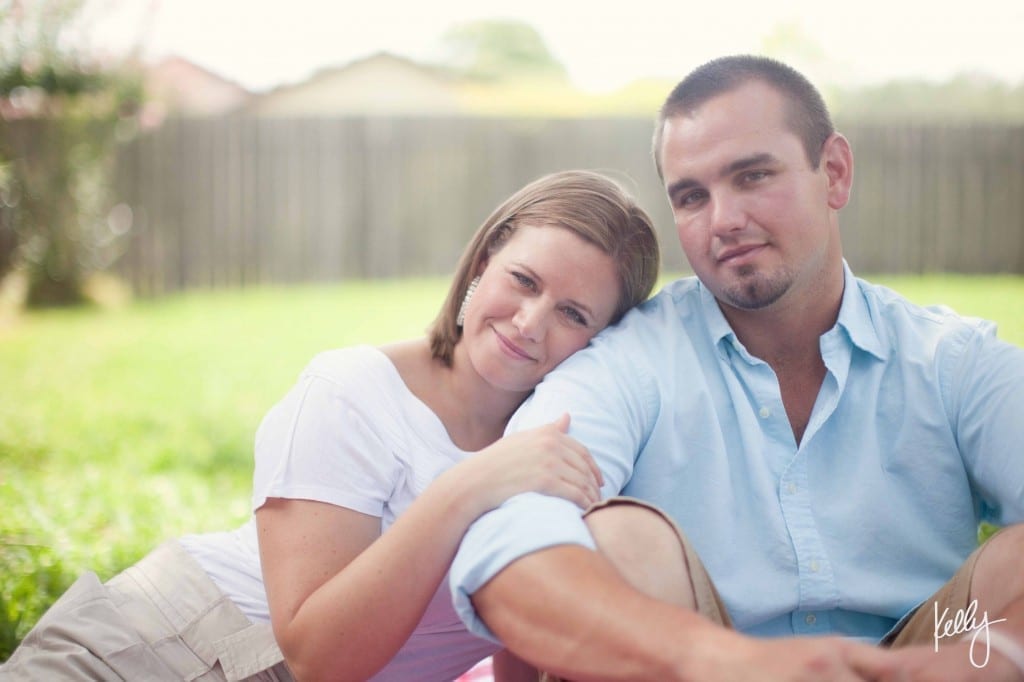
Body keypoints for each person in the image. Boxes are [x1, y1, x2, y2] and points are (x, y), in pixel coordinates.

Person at [449, 56, 1024, 681]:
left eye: (751, 177)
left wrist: (994, 657)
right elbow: (506, 539)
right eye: (692, 196)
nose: (722, 220)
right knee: (616, 543)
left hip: (934, 655)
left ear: (832, 172)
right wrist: (721, 660)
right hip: (698, 667)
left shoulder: (949, 360)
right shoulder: (634, 361)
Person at [0, 169, 661, 681]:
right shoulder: (352, 390)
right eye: (523, 280)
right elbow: (318, 657)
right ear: (484, 260)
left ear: (605, 342)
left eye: (574, 314)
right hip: (159, 651)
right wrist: (471, 485)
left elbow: (525, 627)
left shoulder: (567, 441)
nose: (529, 322)